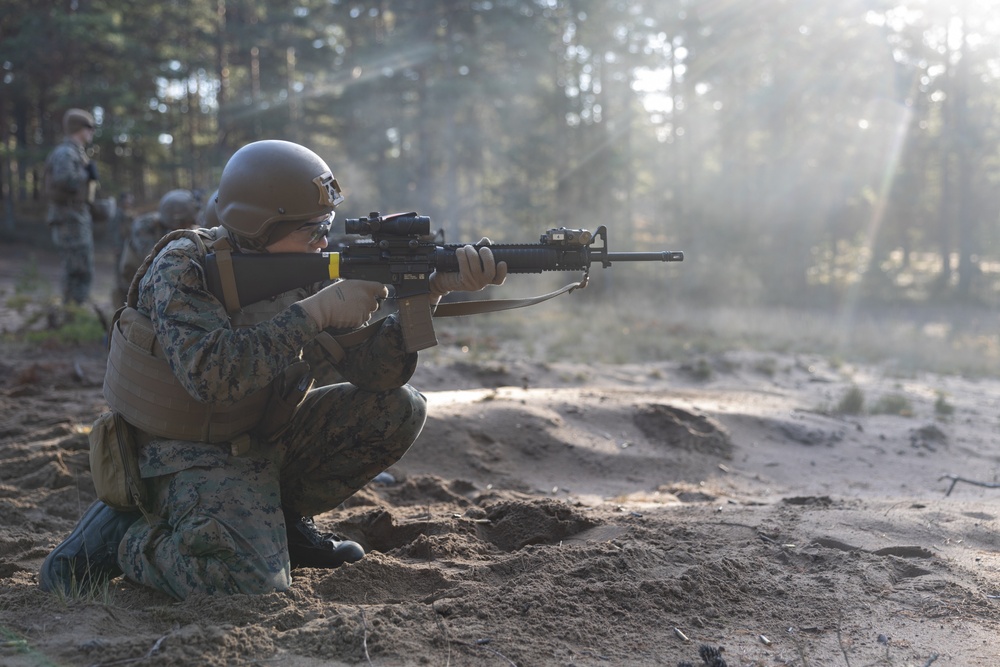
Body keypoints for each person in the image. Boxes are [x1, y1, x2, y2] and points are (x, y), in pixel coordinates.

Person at [39, 139, 507, 600]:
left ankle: (278, 521)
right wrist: (315, 313)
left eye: (327, 225)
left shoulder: (302, 268)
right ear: (260, 226)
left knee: (398, 408)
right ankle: (133, 540)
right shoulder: (184, 266)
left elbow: (375, 375)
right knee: (251, 583)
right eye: (312, 229)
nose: (324, 240)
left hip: (255, 440)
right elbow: (211, 377)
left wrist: (429, 292)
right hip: (176, 457)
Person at [43, 108, 100, 305]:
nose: (92, 131)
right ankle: (72, 315)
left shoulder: (76, 153)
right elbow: (63, 180)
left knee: (81, 266)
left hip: (76, 214)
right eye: (89, 127)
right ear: (78, 128)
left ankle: (74, 312)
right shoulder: (66, 153)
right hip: (69, 216)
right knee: (77, 267)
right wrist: (87, 174)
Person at [114, 189, 200, 307]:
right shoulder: (144, 227)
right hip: (134, 286)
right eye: (187, 222)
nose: (190, 225)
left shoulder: (170, 227)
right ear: (176, 220)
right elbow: (156, 260)